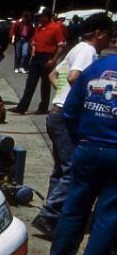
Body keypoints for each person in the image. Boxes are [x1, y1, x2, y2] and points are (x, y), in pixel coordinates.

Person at [47, 23, 117, 255]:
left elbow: (70, 109)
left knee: (74, 208)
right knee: (107, 215)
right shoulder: (93, 63)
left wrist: (82, 139)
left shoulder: (96, 68)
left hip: (88, 148)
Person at [32, 13, 112, 239]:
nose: (110, 42)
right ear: (99, 33)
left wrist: (61, 96)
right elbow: (74, 77)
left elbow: (54, 74)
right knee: (71, 169)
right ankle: (49, 216)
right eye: (109, 36)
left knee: (60, 169)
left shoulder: (77, 48)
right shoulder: (88, 51)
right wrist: (81, 102)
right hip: (67, 117)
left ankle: (52, 214)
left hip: (57, 113)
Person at [10, 8, 67, 115]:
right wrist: (33, 51)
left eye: (40, 16)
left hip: (47, 57)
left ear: (46, 16)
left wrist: (53, 60)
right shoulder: (39, 28)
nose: (39, 18)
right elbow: (34, 42)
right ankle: (22, 107)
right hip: (37, 57)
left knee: (45, 85)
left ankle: (43, 107)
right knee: (30, 84)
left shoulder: (55, 28)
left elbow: (61, 46)